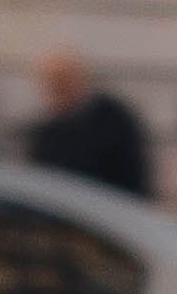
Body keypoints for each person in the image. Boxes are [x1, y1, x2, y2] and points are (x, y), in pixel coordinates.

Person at [25, 50, 151, 198]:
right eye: (53, 86)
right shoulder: (47, 134)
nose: (59, 92)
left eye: (63, 83)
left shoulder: (113, 121)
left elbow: (134, 176)